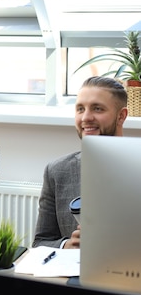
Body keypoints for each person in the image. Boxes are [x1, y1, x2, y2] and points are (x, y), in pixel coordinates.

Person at [32, 76, 128, 249]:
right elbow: (41, 242)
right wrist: (67, 246)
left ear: (121, 116)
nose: (86, 117)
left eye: (97, 109)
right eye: (80, 109)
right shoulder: (57, 171)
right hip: (74, 272)